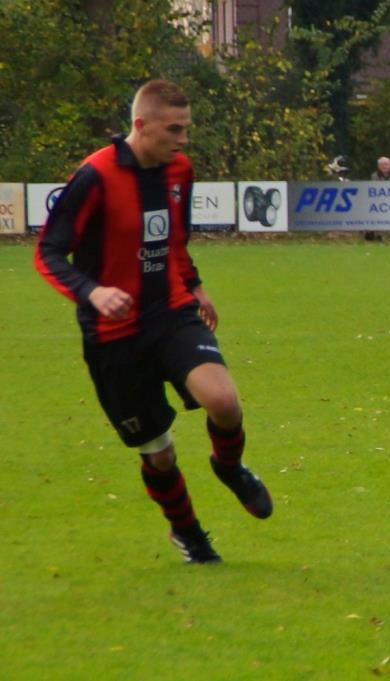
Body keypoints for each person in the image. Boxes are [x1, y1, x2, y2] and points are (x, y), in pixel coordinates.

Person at [34, 79, 272, 564]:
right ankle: (188, 533)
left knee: (223, 401)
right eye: (174, 129)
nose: (183, 139)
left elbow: (174, 239)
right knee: (159, 455)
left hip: (171, 312)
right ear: (141, 125)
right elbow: (48, 252)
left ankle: (230, 468)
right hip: (114, 335)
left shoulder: (179, 170)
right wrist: (93, 291)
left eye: (186, 129)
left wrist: (195, 284)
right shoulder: (95, 176)